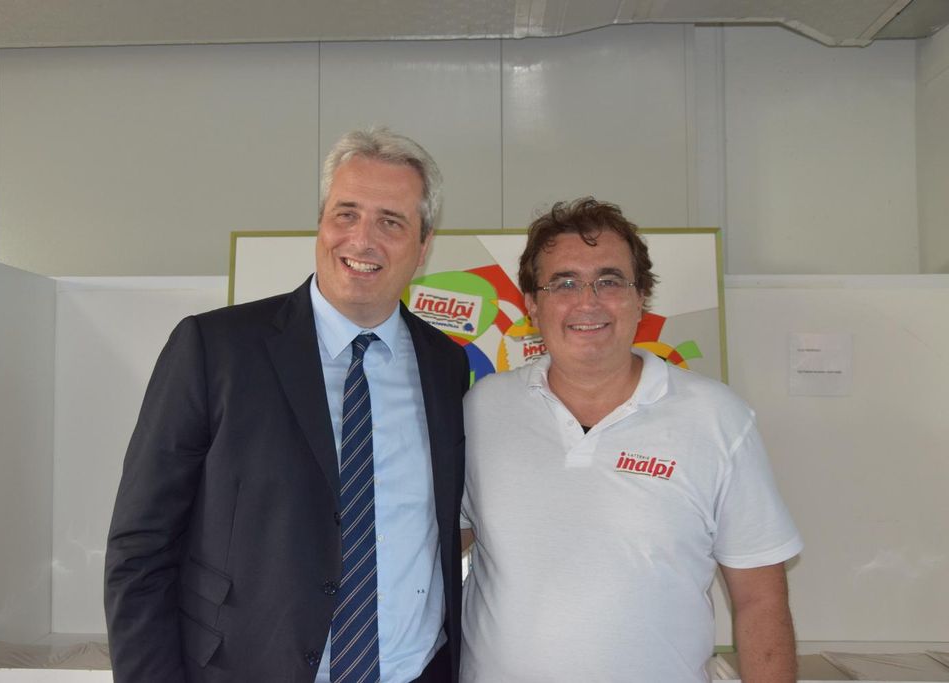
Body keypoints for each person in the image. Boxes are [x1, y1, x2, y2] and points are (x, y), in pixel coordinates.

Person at [105, 127, 469, 683]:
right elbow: (141, 549)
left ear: (423, 248)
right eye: (346, 213)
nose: (362, 239)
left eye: (391, 222)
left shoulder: (445, 365)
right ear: (321, 224)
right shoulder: (215, 349)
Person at [459, 198, 802, 682]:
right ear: (532, 304)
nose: (588, 301)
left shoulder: (716, 418)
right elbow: (441, 543)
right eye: (564, 283)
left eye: (610, 280)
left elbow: (760, 599)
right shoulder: (482, 409)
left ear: (641, 297)